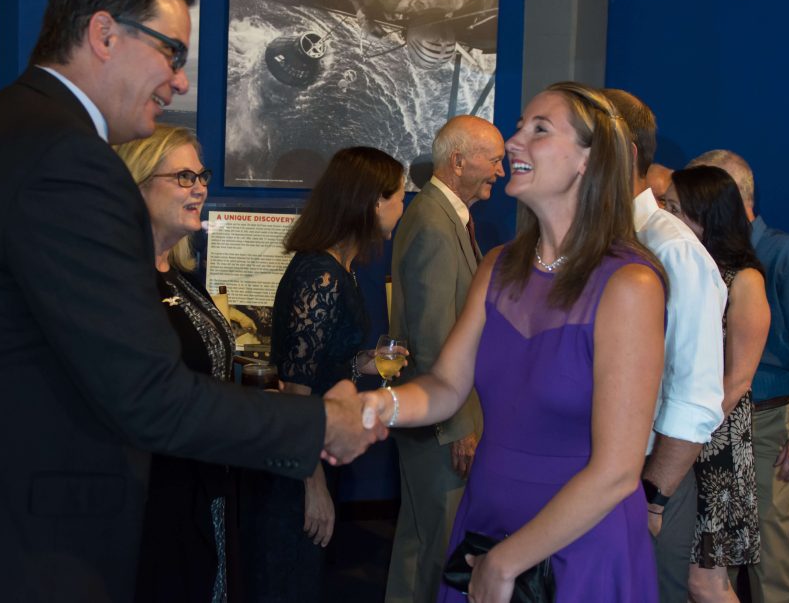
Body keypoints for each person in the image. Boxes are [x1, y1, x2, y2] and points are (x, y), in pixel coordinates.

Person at [0, 0, 382, 603]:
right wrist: (317, 423)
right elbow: (148, 395)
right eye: (171, 53)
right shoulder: (66, 159)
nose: (179, 81)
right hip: (13, 547)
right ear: (103, 34)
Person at [363, 82, 666, 602]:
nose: (514, 141)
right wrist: (372, 408)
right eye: (521, 126)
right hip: (485, 526)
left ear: (589, 161)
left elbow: (617, 472)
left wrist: (506, 562)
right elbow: (446, 386)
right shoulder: (498, 266)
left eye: (539, 130)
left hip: (577, 547)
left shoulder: (629, 284)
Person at [246, 146, 405, 603]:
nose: (402, 206)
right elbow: (296, 391)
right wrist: (312, 485)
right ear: (372, 202)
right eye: (398, 196)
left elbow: (322, 366)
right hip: (297, 466)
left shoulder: (341, 267)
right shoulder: (321, 274)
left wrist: (362, 363)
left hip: (315, 451)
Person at [604, 88, 726, 603]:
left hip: (645, 479)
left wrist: (652, 496)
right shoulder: (590, 239)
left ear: (622, 152)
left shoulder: (672, 249)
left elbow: (694, 392)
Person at [689, 149, 789, 603]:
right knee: (710, 557)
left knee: (771, 553)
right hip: (710, 421)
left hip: (766, 422)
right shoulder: (702, 257)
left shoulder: (787, 255)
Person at [112, 126, 237, 602]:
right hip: (154, 501)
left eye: (201, 175)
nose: (200, 188)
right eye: (184, 177)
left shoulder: (183, 277)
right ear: (137, 186)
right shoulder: (120, 285)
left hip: (205, 486)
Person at [385, 115, 504, 603]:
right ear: (459, 161)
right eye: (493, 160)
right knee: (436, 546)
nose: (500, 171)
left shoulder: (441, 215)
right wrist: (459, 426)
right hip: (440, 422)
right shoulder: (435, 223)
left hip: (433, 416)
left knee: (419, 544)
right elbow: (433, 336)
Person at [664, 165, 770, 602]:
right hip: (679, 434)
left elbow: (739, 379)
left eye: (674, 209)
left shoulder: (745, 280)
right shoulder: (682, 267)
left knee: (705, 580)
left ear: (706, 214)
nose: (664, 216)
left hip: (714, 444)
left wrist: (685, 433)